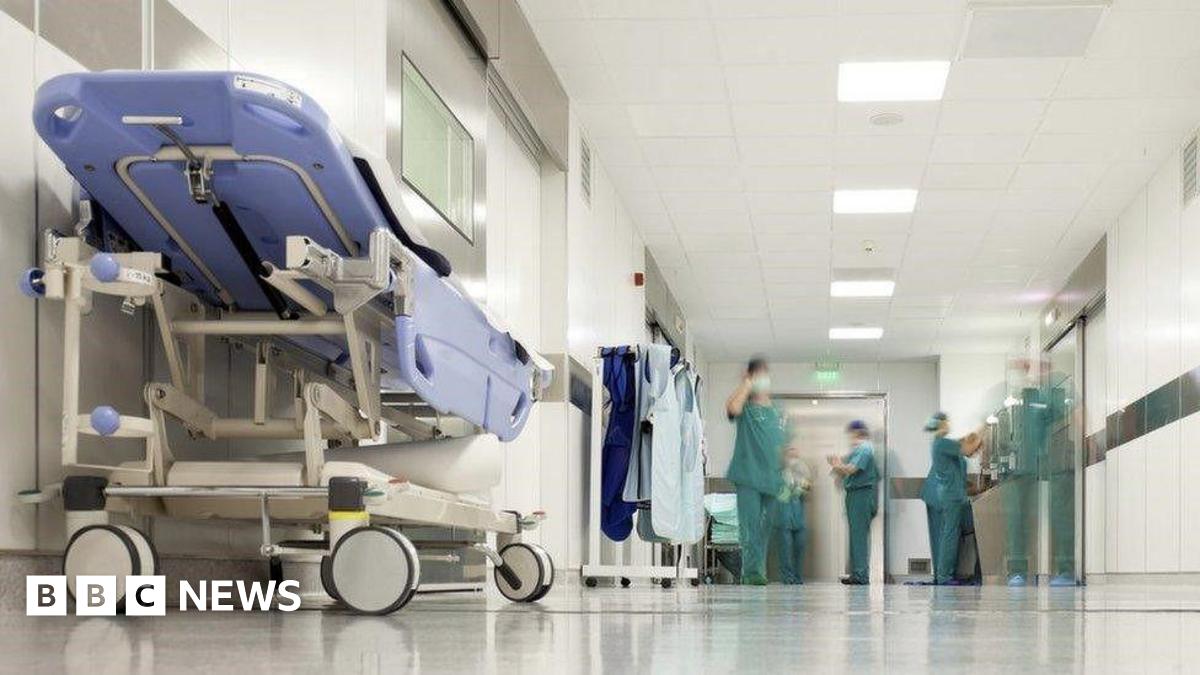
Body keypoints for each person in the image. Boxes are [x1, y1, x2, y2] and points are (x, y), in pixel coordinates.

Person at [725, 357, 786, 585]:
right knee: (750, 527)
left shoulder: (777, 413)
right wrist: (746, 385)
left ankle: (757, 570)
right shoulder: (745, 406)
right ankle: (751, 573)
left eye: (765, 375)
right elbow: (732, 408)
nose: (764, 379)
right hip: (748, 476)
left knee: (764, 528)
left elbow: (781, 445)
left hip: (772, 479)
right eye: (758, 375)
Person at [920, 412, 981, 585]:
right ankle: (943, 576)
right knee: (946, 535)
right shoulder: (942, 443)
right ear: (941, 423)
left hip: (948, 496)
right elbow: (967, 449)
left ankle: (943, 575)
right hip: (942, 497)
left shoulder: (945, 445)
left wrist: (973, 488)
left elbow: (959, 473)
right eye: (947, 421)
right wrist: (982, 429)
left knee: (946, 535)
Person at [827, 420, 880, 585]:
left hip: (861, 495)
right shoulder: (859, 450)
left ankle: (861, 575)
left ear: (857, 433)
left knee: (859, 536)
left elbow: (851, 469)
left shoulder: (865, 448)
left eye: (850, 434)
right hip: (856, 495)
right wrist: (839, 467)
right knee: (856, 535)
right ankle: (857, 574)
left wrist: (836, 464)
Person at [770, 447, 811, 585]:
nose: (794, 457)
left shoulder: (802, 473)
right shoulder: (779, 474)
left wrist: (802, 487)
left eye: (796, 454)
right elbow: (780, 495)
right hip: (783, 519)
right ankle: (787, 578)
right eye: (790, 454)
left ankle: (798, 577)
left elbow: (807, 489)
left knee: (799, 547)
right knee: (785, 551)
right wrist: (792, 488)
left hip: (799, 519)